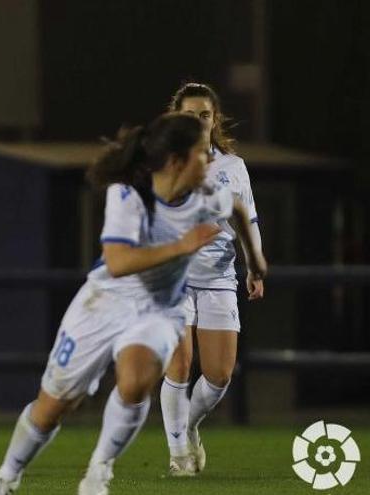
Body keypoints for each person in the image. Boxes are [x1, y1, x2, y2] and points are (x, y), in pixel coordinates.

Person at [0, 113, 267, 495]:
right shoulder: (130, 194)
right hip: (105, 302)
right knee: (55, 405)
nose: (210, 161)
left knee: (134, 384)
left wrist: (256, 262)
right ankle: (7, 475)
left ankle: (99, 470)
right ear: (178, 160)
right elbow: (117, 262)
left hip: (163, 309)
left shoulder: (207, 195)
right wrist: (181, 246)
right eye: (201, 153)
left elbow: (239, 211)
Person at [159, 82, 264, 476]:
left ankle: (188, 427)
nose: (198, 121)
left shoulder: (233, 167)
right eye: (189, 115)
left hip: (219, 276)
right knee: (180, 362)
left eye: (204, 114)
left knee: (219, 375)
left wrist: (254, 266)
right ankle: (178, 455)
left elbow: (248, 219)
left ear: (214, 118)